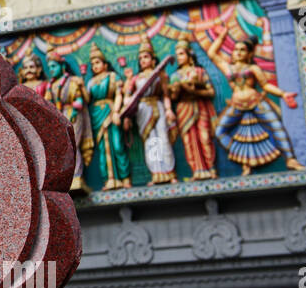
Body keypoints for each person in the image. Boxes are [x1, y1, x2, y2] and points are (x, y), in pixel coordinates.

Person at [205, 27, 304, 176]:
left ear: (249, 54)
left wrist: (283, 94)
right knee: (219, 132)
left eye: (242, 50)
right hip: (237, 105)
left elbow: (265, 85)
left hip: (255, 101)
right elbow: (211, 53)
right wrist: (223, 36)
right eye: (236, 49)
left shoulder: (253, 68)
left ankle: (290, 159)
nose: (238, 52)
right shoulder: (227, 68)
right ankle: (242, 158)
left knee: (276, 126)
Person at [119, 39, 177, 185]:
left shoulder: (160, 75)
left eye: (146, 57)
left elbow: (165, 95)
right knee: (151, 142)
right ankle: (156, 173)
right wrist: (126, 115)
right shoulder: (136, 78)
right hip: (143, 110)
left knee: (163, 138)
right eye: (141, 58)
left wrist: (169, 109)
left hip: (158, 106)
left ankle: (170, 172)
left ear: (152, 59)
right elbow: (127, 98)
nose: (143, 60)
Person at [169, 39, 218, 180]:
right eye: (177, 55)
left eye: (181, 54)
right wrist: (176, 90)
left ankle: (211, 169)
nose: (179, 57)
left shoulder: (200, 72)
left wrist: (194, 91)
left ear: (189, 55)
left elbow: (211, 92)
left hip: (199, 105)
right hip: (183, 108)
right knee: (188, 141)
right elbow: (173, 97)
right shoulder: (175, 76)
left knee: (204, 137)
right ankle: (196, 171)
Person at [85, 44, 130, 189]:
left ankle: (125, 178)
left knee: (117, 145)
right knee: (103, 149)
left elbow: (119, 94)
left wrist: (117, 111)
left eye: (97, 62)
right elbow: (86, 100)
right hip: (97, 114)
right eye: (92, 64)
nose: (95, 66)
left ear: (105, 64)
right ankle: (108, 180)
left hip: (111, 111)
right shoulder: (91, 82)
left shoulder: (113, 76)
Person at [47, 52, 92, 192]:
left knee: (72, 146)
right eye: (49, 67)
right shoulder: (52, 85)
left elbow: (79, 99)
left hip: (73, 115)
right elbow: (48, 103)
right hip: (59, 118)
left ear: (62, 66)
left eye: (54, 66)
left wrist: (74, 110)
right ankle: (66, 178)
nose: (51, 70)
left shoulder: (72, 81)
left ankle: (77, 177)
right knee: (62, 149)